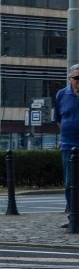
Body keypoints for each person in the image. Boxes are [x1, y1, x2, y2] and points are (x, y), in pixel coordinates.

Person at [56, 63, 79, 216]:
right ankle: (72, 215)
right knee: (69, 182)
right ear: (69, 78)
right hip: (68, 145)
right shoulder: (61, 95)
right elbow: (58, 119)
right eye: (76, 77)